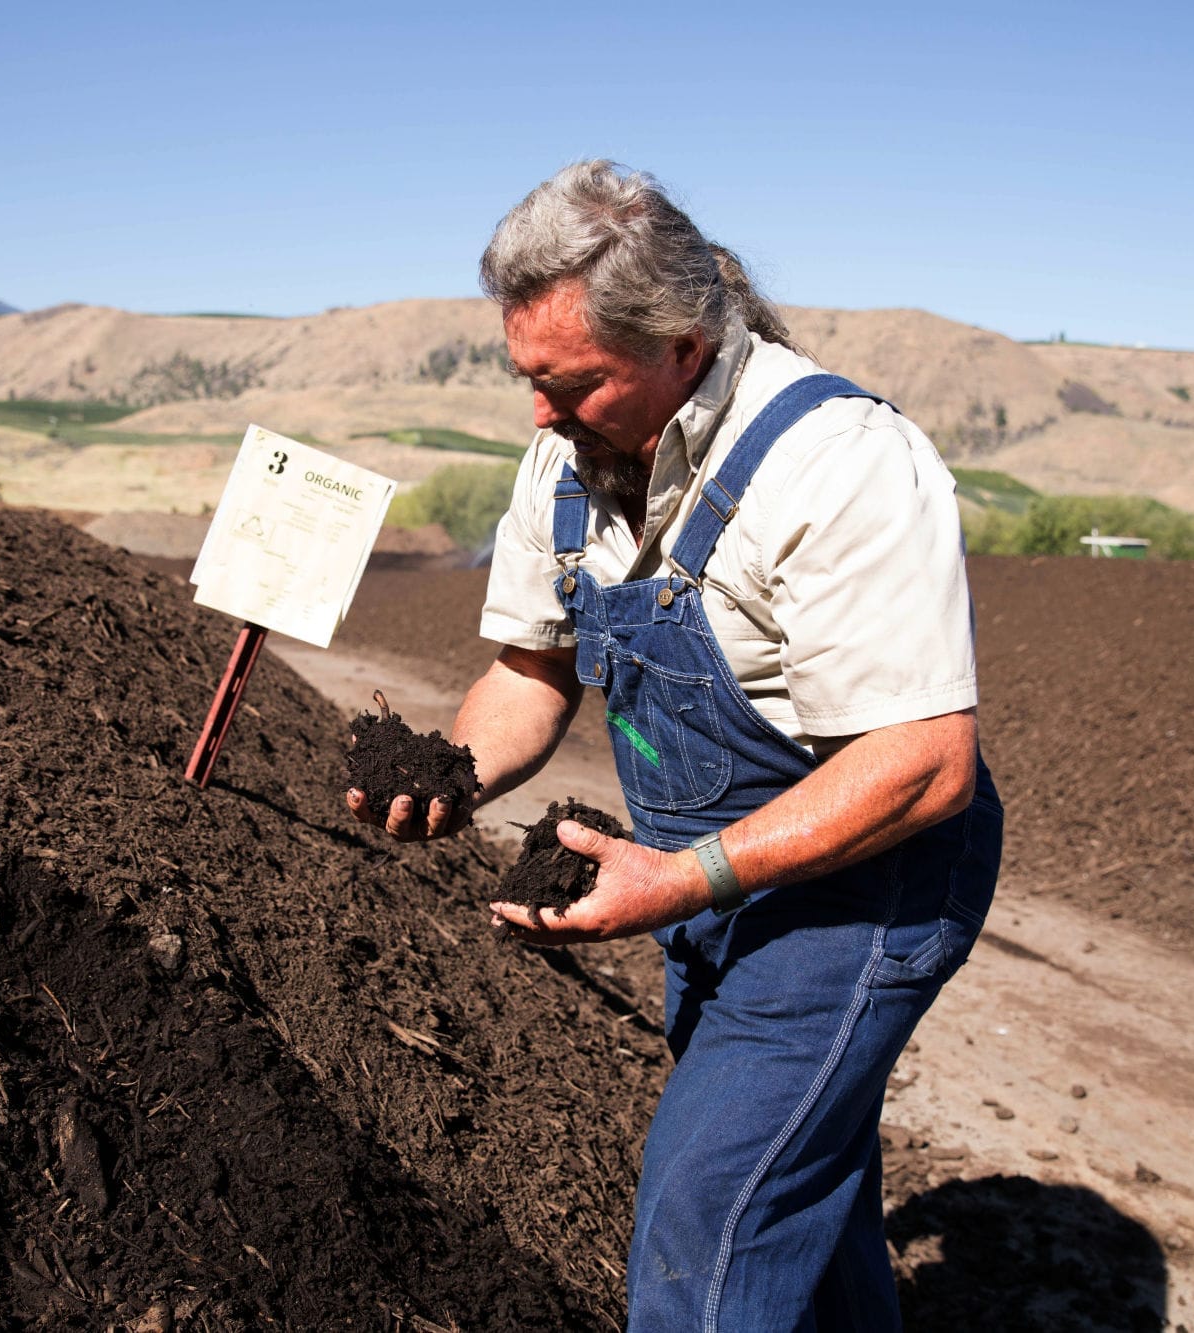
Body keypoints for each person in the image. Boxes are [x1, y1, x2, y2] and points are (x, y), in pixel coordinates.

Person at [348, 160, 1001, 1331]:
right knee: (804, 1181)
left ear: (684, 347)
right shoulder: (566, 458)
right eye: (524, 379)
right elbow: (530, 670)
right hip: (712, 879)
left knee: (711, 1219)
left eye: (572, 383)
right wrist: (451, 775)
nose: (537, 415)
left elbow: (921, 760)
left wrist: (684, 876)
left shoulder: (836, 461)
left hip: (865, 885)